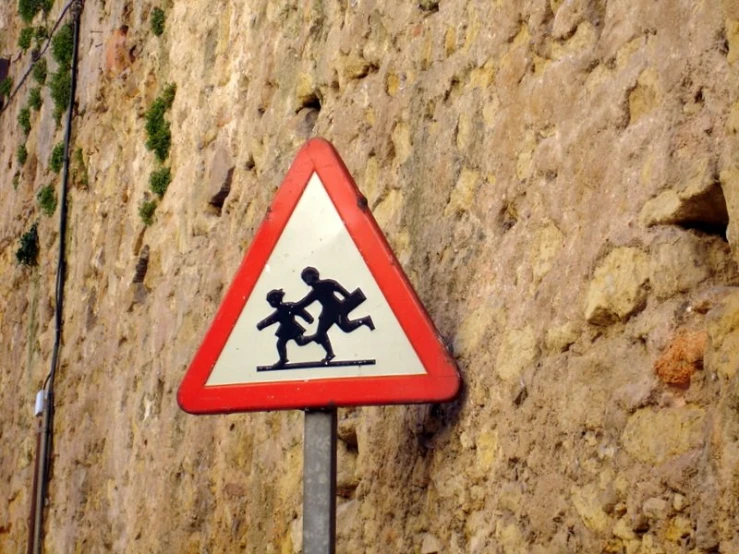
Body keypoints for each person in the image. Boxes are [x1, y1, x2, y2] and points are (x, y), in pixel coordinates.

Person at [296, 266, 375, 362]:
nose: (306, 280)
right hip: (329, 312)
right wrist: (293, 307)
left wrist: (347, 300)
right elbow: (304, 302)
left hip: (335, 310)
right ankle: (330, 353)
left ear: (313, 276)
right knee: (330, 331)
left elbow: (342, 291)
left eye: (306, 277)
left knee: (343, 328)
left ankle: (365, 320)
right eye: (304, 278)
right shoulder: (318, 290)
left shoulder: (323, 286)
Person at [256, 289, 314, 368]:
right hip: (285, 330)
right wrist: (261, 325)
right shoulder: (281, 310)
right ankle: (283, 360)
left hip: (293, 328)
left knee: (300, 342)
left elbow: (299, 311)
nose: (270, 304)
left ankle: (316, 337)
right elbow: (270, 320)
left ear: (275, 300)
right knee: (280, 344)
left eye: (271, 301)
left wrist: (308, 318)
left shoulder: (288, 306)